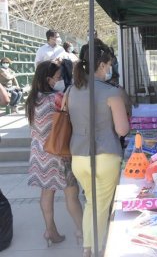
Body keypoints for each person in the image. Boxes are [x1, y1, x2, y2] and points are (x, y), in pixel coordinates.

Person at [69, 38, 130, 257]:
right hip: (105, 156)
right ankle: (96, 250)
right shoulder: (111, 92)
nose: (110, 68)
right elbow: (122, 130)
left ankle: (88, 248)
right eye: (109, 64)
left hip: (78, 156)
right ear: (102, 65)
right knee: (102, 207)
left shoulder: (71, 91)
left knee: (91, 203)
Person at [25, 60, 83, 247]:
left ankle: (51, 230)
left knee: (46, 193)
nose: (60, 79)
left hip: (39, 153)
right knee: (71, 194)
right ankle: (83, 232)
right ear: (49, 79)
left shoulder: (32, 99)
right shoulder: (57, 98)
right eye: (57, 77)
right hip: (58, 152)